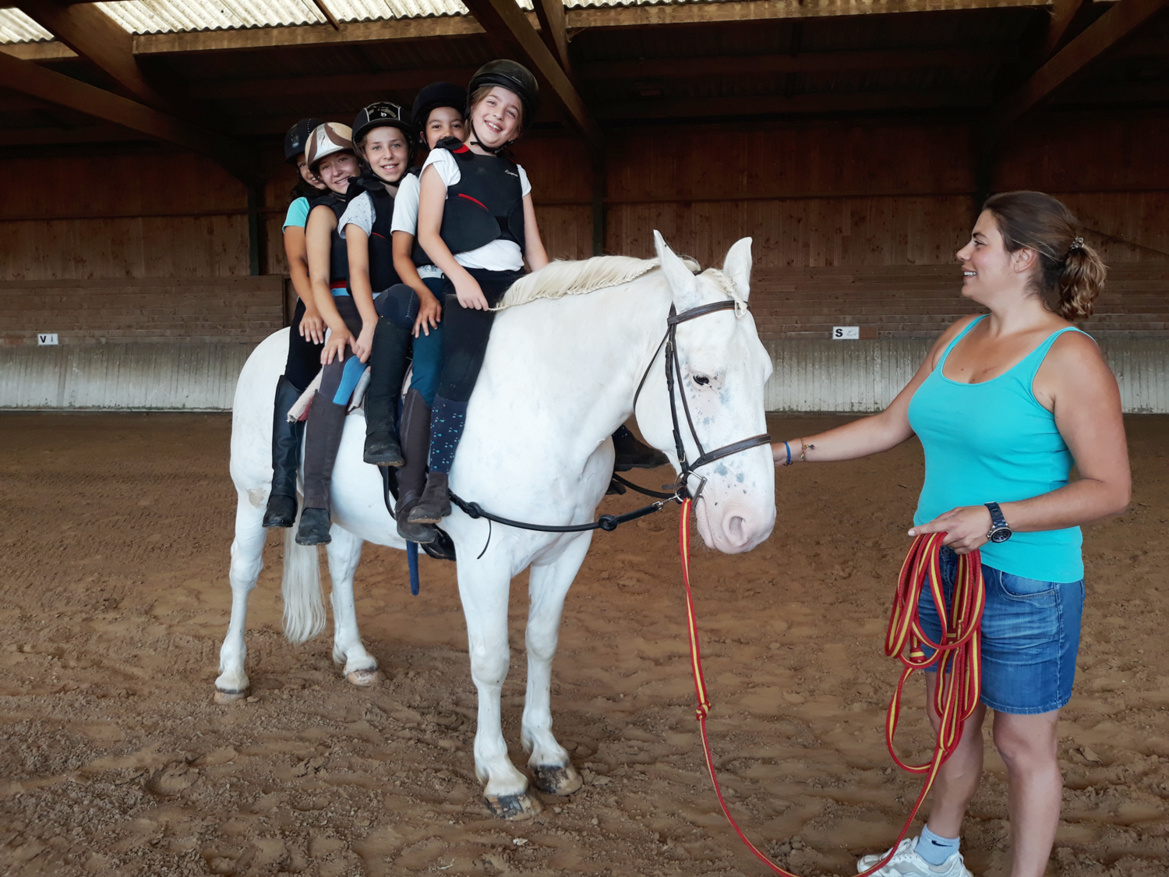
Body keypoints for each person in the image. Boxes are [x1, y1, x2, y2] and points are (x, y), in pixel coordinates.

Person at [774, 192, 1130, 877]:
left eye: (978, 241)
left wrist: (994, 517)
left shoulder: (1068, 357)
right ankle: (937, 854)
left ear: (1023, 259)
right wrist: (785, 452)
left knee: (1023, 745)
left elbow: (1109, 488)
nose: (961, 253)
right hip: (938, 567)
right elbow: (889, 425)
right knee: (951, 722)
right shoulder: (956, 336)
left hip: (1027, 580)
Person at [404, 60, 551, 526]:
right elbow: (428, 235)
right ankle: (437, 481)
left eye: (511, 113)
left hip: (515, 284)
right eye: (492, 103)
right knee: (459, 369)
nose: (499, 116)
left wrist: (556, 293)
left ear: (516, 130)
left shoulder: (517, 174)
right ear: (472, 108)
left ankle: (614, 442)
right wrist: (461, 279)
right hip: (466, 281)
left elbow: (534, 249)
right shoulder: (443, 162)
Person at [378, 82, 468, 542]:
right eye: (436, 126)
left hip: (477, 284)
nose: (447, 132)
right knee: (430, 370)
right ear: (424, 136)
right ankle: (410, 493)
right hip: (432, 283)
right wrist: (425, 295)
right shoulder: (415, 183)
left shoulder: (479, 175)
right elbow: (400, 256)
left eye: (456, 124)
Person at [295, 122, 368, 545]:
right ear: (317, 176)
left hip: (388, 302)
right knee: (337, 379)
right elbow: (318, 279)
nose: (337, 171)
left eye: (343, 159)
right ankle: (316, 501)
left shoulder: (383, 199)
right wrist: (337, 327)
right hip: (344, 307)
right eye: (326, 166)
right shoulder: (323, 214)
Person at [335, 102, 414, 468]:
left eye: (396, 145)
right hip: (383, 301)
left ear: (409, 148)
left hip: (421, 296)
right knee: (399, 299)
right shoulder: (363, 205)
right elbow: (358, 270)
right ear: (365, 156)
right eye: (377, 147)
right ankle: (379, 428)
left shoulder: (425, 194)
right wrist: (369, 322)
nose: (388, 155)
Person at [262, 118, 328, 528]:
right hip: (316, 299)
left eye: (314, 161)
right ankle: (282, 486)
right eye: (302, 165)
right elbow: (298, 263)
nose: (309, 170)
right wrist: (313, 308)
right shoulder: (301, 207)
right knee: (299, 371)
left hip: (362, 298)